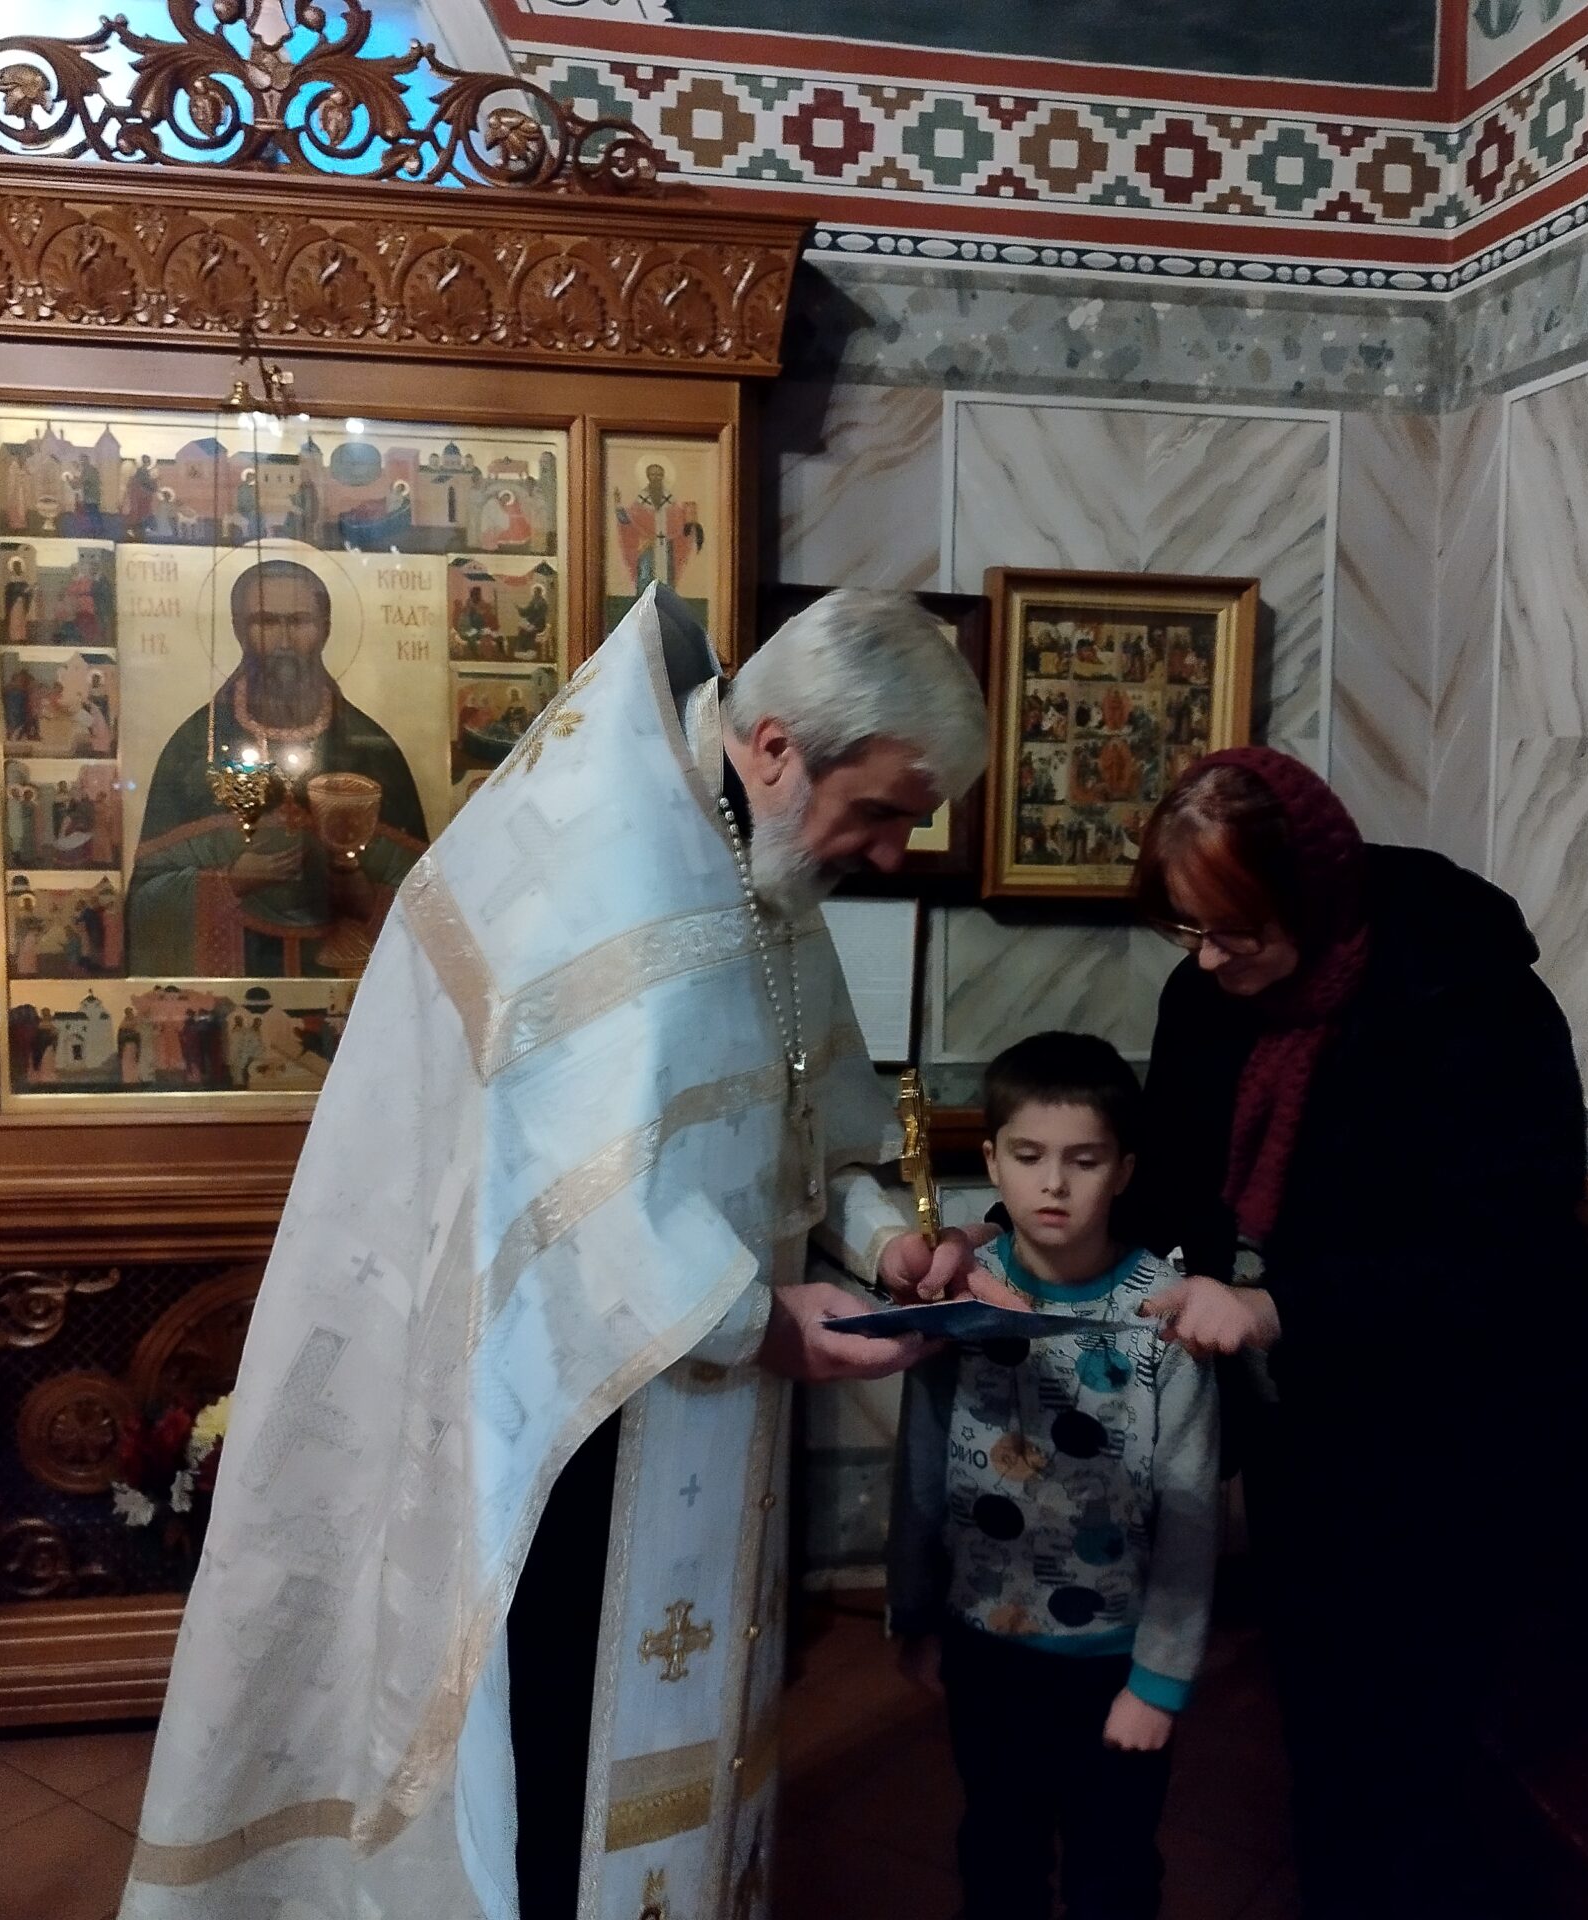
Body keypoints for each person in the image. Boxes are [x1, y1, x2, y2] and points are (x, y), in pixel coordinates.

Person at [120, 587, 993, 1920]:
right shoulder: (605, 864)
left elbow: (805, 1100)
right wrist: (763, 1322)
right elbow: (569, 1193)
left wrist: (884, 1251)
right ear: (775, 745)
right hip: (564, 1411)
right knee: (560, 1731)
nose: (889, 850)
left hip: (706, 1393)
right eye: (879, 810)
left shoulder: (752, 852)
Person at [1095, 748, 1588, 1920]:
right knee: (1320, 1703)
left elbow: (1509, 1250)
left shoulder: (1465, 997)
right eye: (1187, 932)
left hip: (1450, 1428)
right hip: (1303, 1419)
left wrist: (1282, 1305)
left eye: (1233, 932)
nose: (1207, 961)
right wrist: (1036, 1250)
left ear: (1310, 900)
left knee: (1415, 1730)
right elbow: (1171, 1189)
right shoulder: (1208, 997)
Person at [888, 1032, 1217, 1920]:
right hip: (985, 1644)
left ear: (1125, 1169)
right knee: (998, 1853)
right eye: (1029, 1156)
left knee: (1114, 1871)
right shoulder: (962, 1299)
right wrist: (914, 1611)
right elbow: (921, 1465)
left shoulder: (1164, 1316)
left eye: (1084, 1160)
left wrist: (1160, 1677)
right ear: (992, 1160)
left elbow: (1190, 1511)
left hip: (1111, 1654)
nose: (1055, 1185)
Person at [128, 558, 430, 977]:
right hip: (233, 971)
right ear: (239, 629)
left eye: (299, 621)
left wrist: (358, 889)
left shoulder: (371, 750)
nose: (284, 640)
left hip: (346, 980)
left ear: (325, 628)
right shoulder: (197, 746)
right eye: (266, 622)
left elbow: (425, 907)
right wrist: (230, 881)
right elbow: (145, 903)